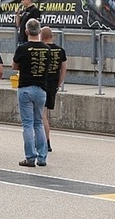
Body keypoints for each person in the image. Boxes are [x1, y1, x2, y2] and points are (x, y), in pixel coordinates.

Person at [13, 18, 50, 167]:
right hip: (41, 89)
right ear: (39, 31)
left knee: (27, 124)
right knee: (38, 123)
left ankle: (30, 157)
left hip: (25, 88)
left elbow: (15, 66)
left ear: (26, 31)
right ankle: (42, 157)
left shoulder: (22, 48)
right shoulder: (46, 49)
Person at [40, 26, 66, 154]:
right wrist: (58, 83)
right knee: (46, 114)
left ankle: (46, 141)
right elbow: (64, 69)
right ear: (52, 36)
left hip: (42, 83)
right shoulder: (60, 50)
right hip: (53, 83)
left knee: (42, 115)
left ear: (41, 36)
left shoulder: (42, 49)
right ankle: (46, 140)